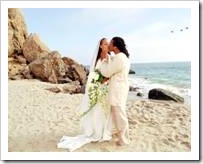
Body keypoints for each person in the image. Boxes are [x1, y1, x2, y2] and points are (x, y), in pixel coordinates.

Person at [57, 38, 113, 151]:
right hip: (96, 87)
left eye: (108, 43)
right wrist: (97, 83)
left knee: (104, 110)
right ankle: (96, 131)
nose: (108, 45)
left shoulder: (111, 58)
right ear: (101, 46)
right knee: (96, 110)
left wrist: (106, 79)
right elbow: (93, 74)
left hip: (106, 88)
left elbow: (112, 72)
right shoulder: (97, 59)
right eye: (105, 43)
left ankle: (104, 131)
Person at [97, 37, 130, 146]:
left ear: (115, 46)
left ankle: (124, 140)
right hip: (118, 89)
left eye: (110, 43)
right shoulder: (119, 57)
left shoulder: (120, 58)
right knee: (117, 114)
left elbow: (107, 72)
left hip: (118, 90)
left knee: (120, 115)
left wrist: (103, 62)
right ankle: (119, 136)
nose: (109, 45)